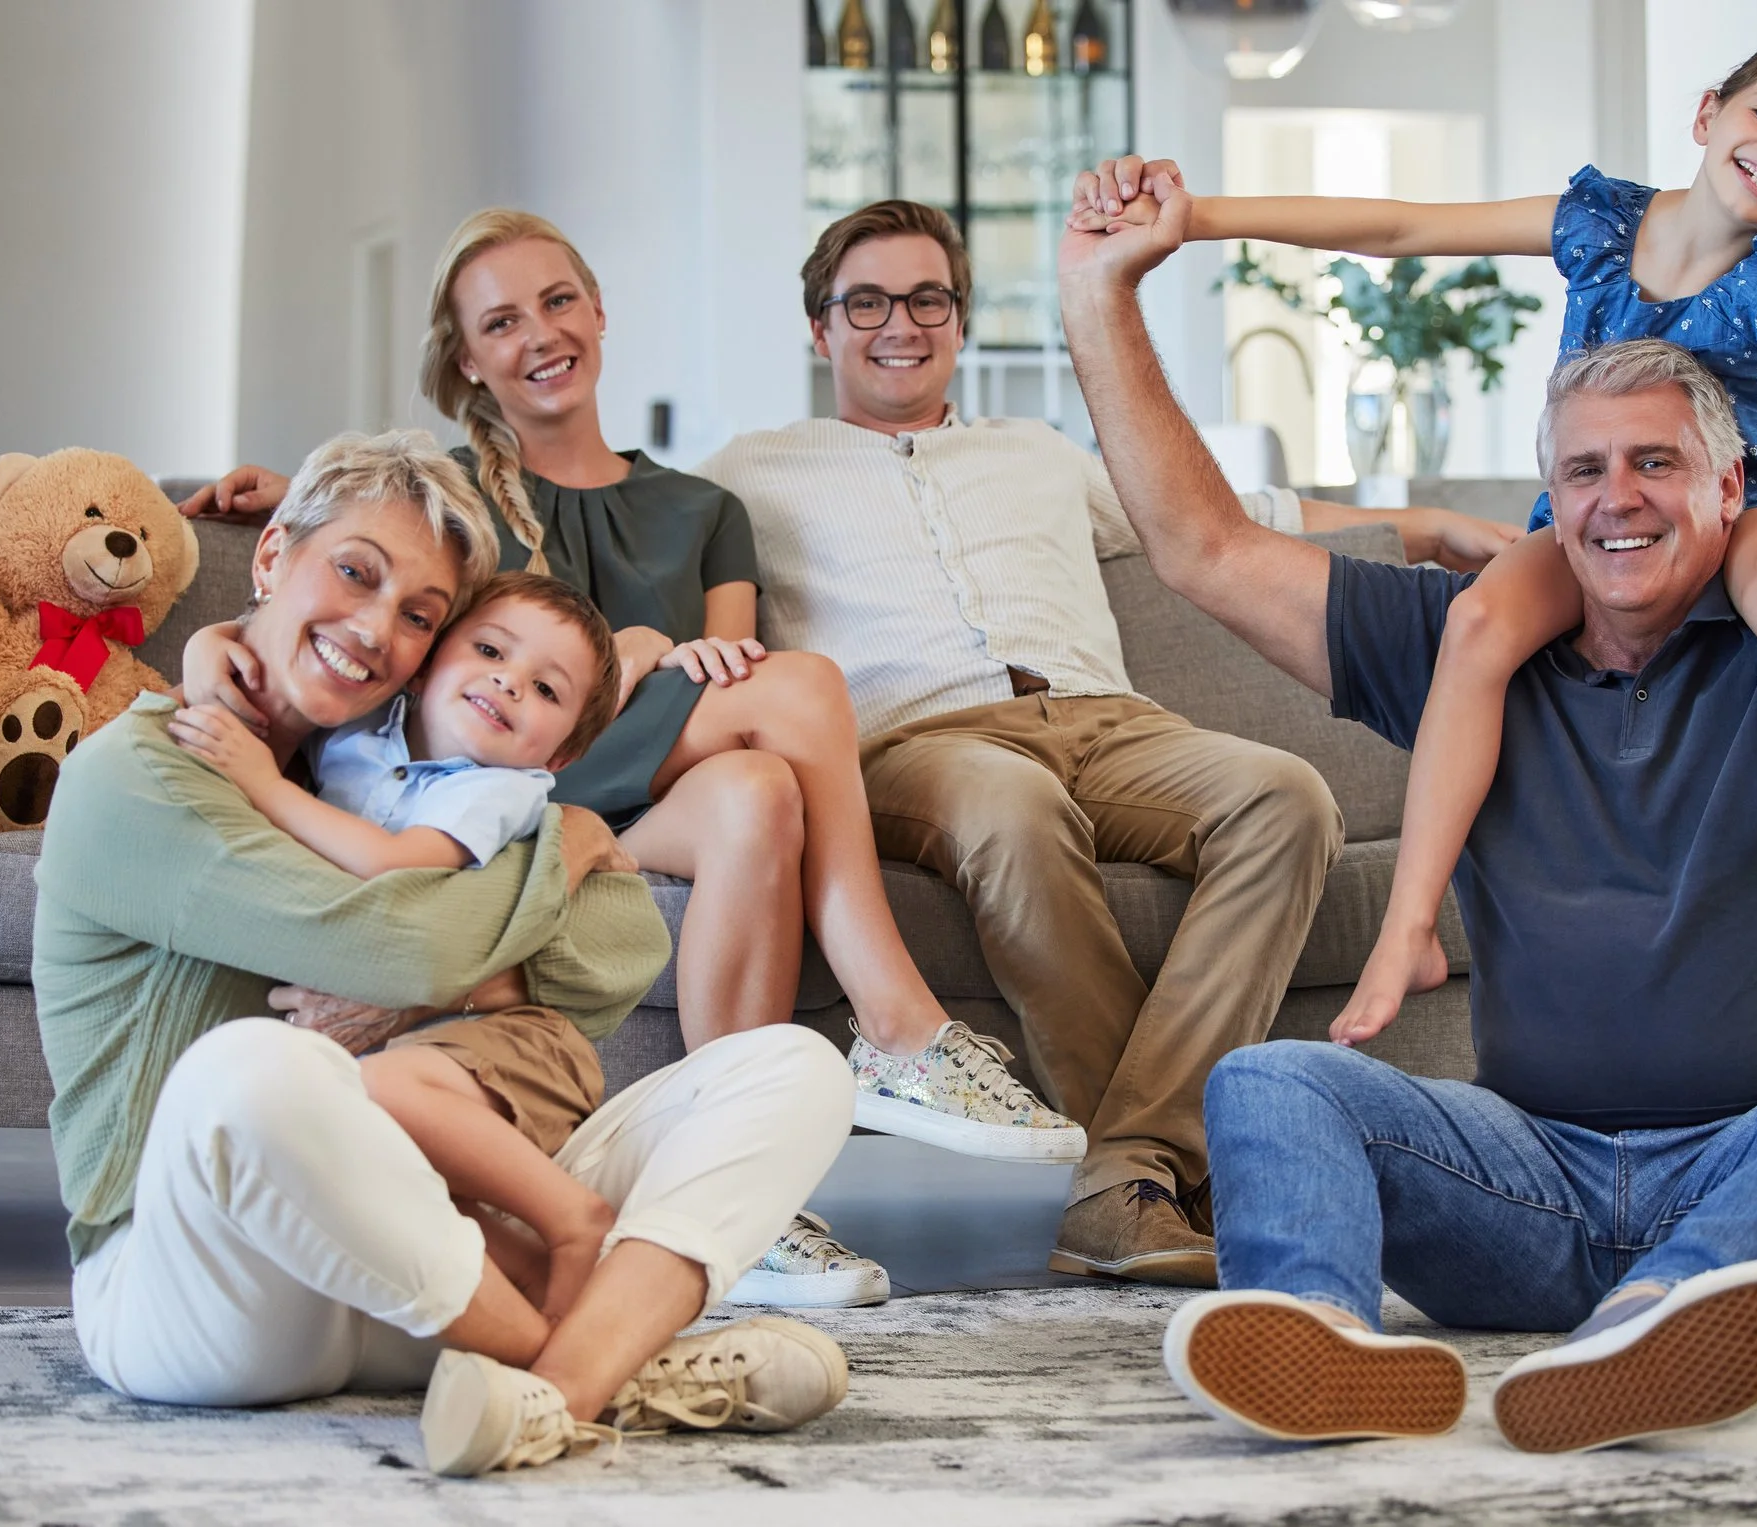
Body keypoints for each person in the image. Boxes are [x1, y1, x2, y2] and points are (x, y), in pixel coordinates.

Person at [1057, 98, 1757, 1450]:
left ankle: (1664, 1319)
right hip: (1522, 1185)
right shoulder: (1469, 638)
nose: (1618, 499)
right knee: (1268, 1081)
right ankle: (1314, 1341)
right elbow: (1200, 548)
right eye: (1585, 470)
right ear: (1547, 494)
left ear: (1738, 487)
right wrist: (1099, 292)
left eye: (1658, 462)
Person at [1077, 37, 1757, 1047]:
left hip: (1741, 501)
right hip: (1595, 517)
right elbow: (1400, 225)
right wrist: (1196, 219)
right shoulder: (1599, 223)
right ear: (1707, 114)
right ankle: (1412, 925)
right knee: (1480, 626)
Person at [183, 210, 1088, 1311]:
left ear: (598, 312)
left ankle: (736, 1194)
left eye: (558, 302)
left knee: (758, 786)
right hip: (505, 787)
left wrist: (674, 654)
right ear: (468, 358)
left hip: (624, 793)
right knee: (803, 688)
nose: (540, 335)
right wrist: (250, 555)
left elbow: (736, 656)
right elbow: (356, 572)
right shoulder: (452, 500)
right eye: (501, 322)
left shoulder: (704, 509)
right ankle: (901, 1031)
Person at [696, 199, 1517, 1287]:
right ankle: (1164, 1179)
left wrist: (1423, 528)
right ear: (822, 330)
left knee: (1286, 796)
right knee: (1011, 808)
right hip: (921, 742)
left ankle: (1124, 1176)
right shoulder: (749, 471)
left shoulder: (1039, 452)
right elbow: (662, 569)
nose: (900, 323)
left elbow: (1224, 510)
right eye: (867, 303)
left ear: (960, 319)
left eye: (927, 298)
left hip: (1109, 722)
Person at [34, 429, 860, 1477]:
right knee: (259, 1072)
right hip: (197, 1285)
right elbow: (400, 951)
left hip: (419, 1247)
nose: (375, 629)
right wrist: (561, 847)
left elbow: (619, 943)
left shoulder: (378, 754)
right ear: (273, 555)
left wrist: (482, 949)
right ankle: (617, 1376)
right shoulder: (142, 776)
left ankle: (553, 1389)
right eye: (353, 572)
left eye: (419, 616)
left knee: (790, 1066)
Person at [169, 571, 641, 1326]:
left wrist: (263, 782)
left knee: (376, 1095)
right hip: (423, 1046)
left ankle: (574, 1218)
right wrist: (202, 646)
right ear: (425, 665)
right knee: (370, 1176)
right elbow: (273, 645)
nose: (508, 681)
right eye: (490, 648)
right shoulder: (364, 729)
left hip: (516, 1040)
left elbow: (396, 864)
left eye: (546, 691)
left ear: (555, 760)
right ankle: (547, 1305)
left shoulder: (498, 789)